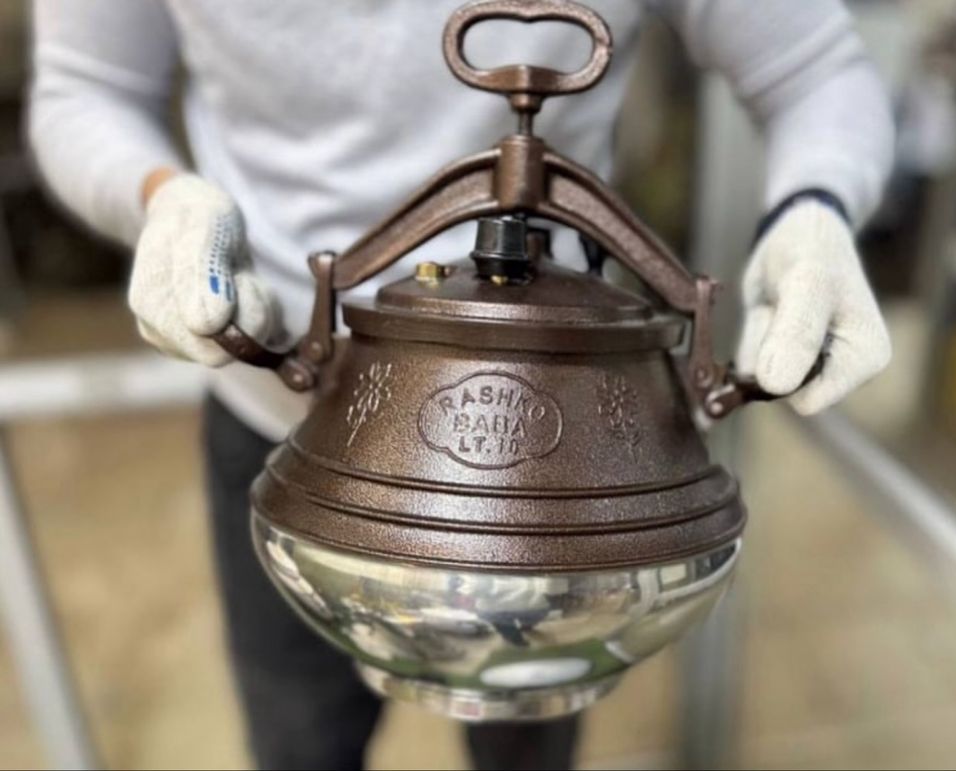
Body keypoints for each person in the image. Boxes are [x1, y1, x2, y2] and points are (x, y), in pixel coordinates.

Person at [27, 1, 894, 768]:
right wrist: (166, 201)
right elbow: (83, 88)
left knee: (533, 729)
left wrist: (813, 211)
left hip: (569, 486)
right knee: (299, 741)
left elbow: (815, 69)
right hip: (291, 428)